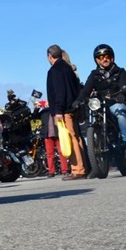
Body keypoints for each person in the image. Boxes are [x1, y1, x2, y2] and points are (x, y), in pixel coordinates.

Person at [46, 44, 87, 180]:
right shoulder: (68, 68)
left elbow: (59, 92)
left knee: (69, 138)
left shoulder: (55, 71)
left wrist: (58, 110)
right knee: (77, 137)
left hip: (63, 110)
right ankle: (83, 166)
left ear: (50, 56)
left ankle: (77, 169)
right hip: (73, 108)